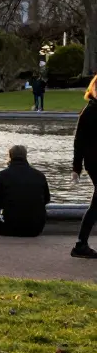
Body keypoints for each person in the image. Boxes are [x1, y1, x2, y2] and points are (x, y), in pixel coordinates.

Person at [0, 145, 51, 237]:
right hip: (36, 227)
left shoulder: (2, 175)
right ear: (25, 156)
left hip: (10, 225)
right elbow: (47, 199)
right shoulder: (40, 175)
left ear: (10, 156)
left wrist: (8, 208)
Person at [71, 75, 97, 258]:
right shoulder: (89, 112)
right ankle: (80, 244)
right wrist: (76, 168)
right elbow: (78, 142)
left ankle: (81, 244)